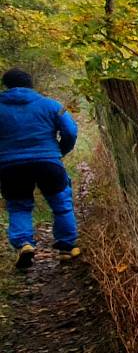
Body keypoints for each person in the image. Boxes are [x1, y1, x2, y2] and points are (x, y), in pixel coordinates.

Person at [0, 68, 79, 269]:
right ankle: (66, 248)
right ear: (31, 84)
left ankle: (24, 244)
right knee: (61, 203)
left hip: (11, 166)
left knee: (19, 206)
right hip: (48, 162)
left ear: (6, 85)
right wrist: (59, 151)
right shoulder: (51, 105)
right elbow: (69, 131)